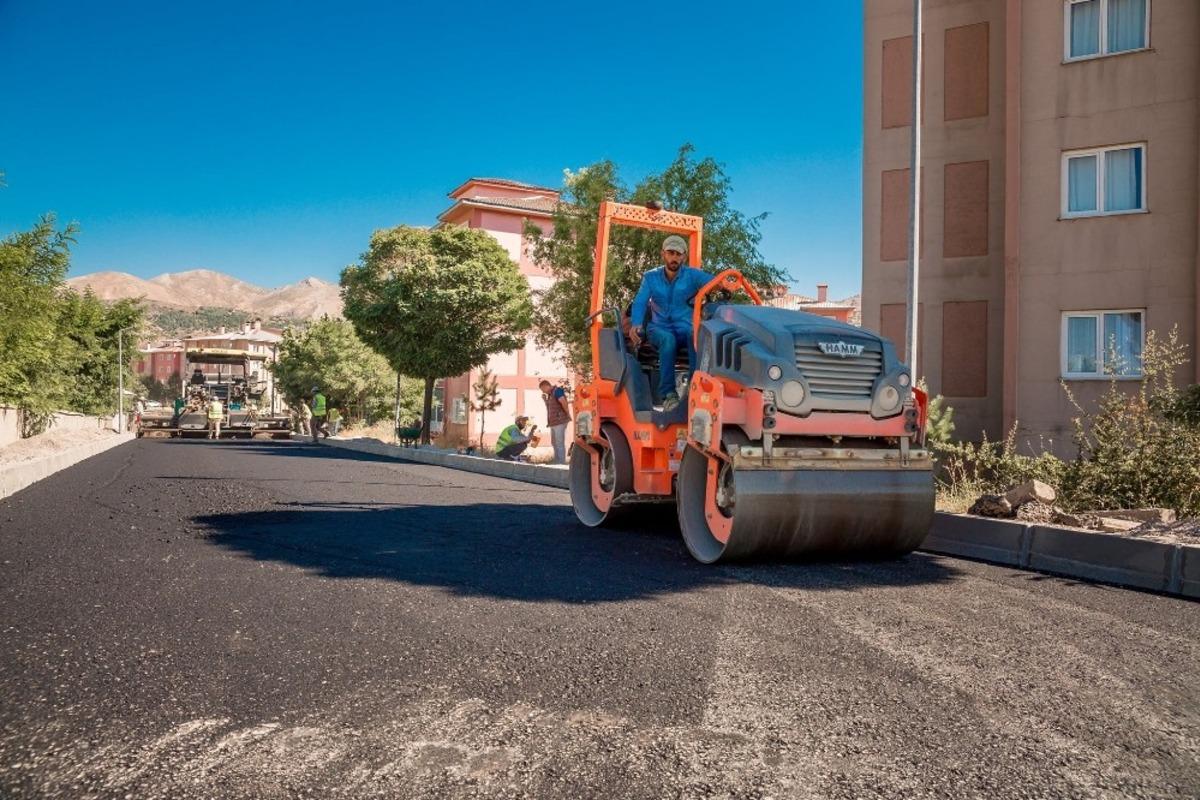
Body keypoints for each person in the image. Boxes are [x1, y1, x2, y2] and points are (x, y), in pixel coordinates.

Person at [628, 234, 711, 411]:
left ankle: (694, 389)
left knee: (696, 336)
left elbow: (714, 282)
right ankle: (668, 395)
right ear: (663, 254)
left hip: (685, 327)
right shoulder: (651, 277)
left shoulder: (693, 276)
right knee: (667, 340)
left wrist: (726, 283)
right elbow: (641, 301)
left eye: (678, 254)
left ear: (684, 256)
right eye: (670, 253)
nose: (674, 258)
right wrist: (636, 324)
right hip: (659, 328)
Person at [539, 380, 570, 465]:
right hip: (553, 423)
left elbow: (563, 401)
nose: (543, 391)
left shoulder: (557, 391)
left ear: (546, 386)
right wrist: (545, 400)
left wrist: (567, 413)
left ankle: (561, 462)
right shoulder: (550, 395)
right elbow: (550, 407)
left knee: (559, 442)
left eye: (542, 389)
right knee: (554, 442)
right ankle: (557, 460)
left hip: (560, 421)